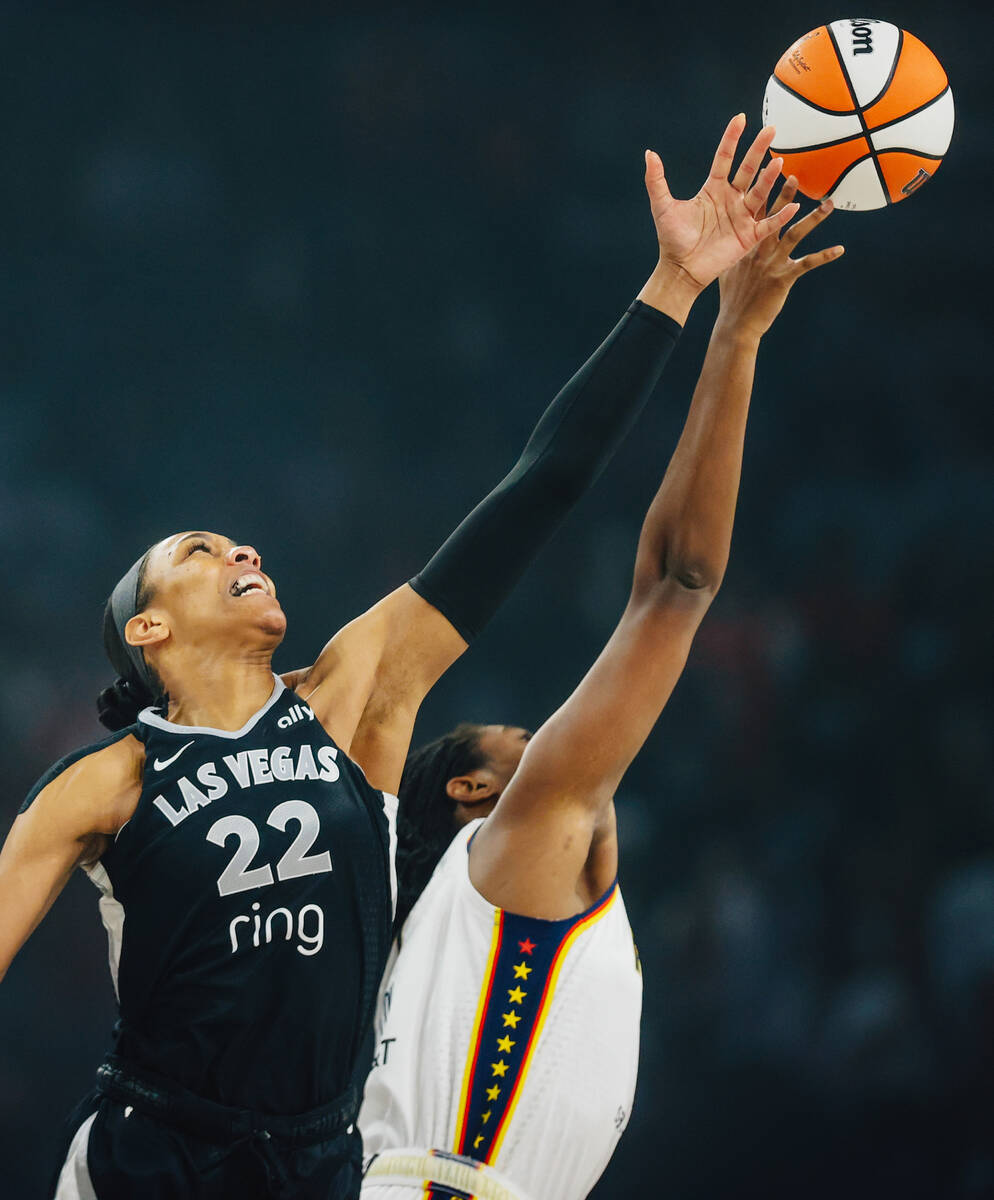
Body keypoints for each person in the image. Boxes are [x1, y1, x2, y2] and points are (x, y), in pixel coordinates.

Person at [0, 117, 795, 1200]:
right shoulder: (110, 780)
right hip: (153, 1154)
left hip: (320, 1166)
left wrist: (671, 288)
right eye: (197, 551)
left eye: (238, 539)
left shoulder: (354, 693)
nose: (240, 547)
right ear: (149, 629)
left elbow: (536, 487)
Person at [358, 176, 843, 1200]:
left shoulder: (473, 909)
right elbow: (675, 587)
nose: (547, 742)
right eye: (517, 740)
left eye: (521, 736)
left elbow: (673, 585)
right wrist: (736, 338)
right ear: (473, 798)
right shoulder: (518, 846)